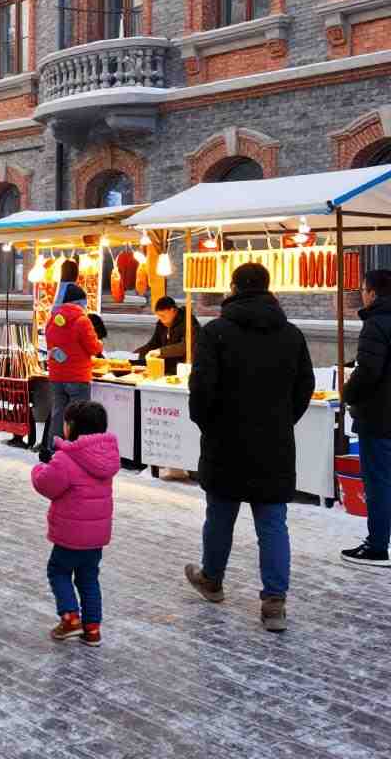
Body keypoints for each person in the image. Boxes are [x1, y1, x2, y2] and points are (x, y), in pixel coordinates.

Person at [186, 262, 314, 633]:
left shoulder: (217, 332)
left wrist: (208, 423)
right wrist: (281, 420)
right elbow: (303, 387)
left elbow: (201, 389)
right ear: (267, 288)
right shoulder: (291, 334)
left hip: (225, 441)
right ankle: (274, 602)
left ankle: (212, 580)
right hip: (273, 443)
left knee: (220, 515)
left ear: (233, 288)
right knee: (273, 523)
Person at [31, 400, 120, 648]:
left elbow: (47, 485)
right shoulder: (104, 458)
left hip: (70, 535)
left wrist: (41, 467)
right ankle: (92, 629)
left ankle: (70, 618)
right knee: (88, 578)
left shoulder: (67, 458)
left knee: (58, 571)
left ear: (72, 428)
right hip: (95, 538)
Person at [341, 268, 391, 568]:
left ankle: (376, 546)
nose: (362, 295)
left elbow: (368, 371)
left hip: (380, 416)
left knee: (379, 482)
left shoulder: (376, 325)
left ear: (372, 293)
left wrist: (348, 392)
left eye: (362, 290)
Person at [40, 283, 103, 461]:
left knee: (58, 413)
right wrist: (100, 344)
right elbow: (93, 347)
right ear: (80, 303)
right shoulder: (83, 321)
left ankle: (53, 449)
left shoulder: (52, 320)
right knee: (79, 416)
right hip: (77, 377)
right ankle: (77, 452)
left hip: (57, 377)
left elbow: (51, 346)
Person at [136, 295, 199, 375]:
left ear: (172, 310)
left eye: (163, 316)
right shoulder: (161, 323)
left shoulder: (189, 322)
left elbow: (185, 346)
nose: (161, 319)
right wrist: (137, 354)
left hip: (184, 370)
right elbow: (153, 343)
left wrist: (160, 352)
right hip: (165, 370)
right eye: (159, 316)